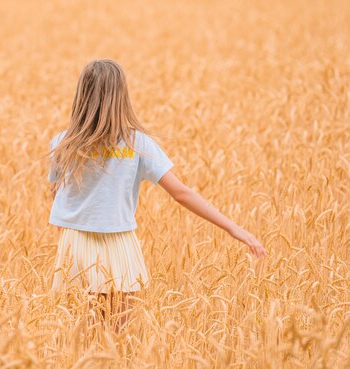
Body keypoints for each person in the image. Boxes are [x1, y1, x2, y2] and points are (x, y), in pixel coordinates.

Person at [47, 59, 267, 334]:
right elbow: (181, 193)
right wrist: (235, 229)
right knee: (118, 336)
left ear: (82, 95)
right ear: (120, 97)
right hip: (119, 243)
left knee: (82, 337)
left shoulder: (62, 142)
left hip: (75, 245)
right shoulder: (138, 144)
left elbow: (56, 193)